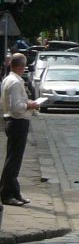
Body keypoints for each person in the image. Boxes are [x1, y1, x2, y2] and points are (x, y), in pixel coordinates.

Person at [1, 52, 41, 206]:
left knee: (13, 160)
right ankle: (7, 195)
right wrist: (30, 105)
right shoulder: (16, 82)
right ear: (21, 67)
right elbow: (16, 107)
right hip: (17, 122)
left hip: (13, 121)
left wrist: (27, 101)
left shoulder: (8, 79)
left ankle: (14, 192)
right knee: (13, 161)